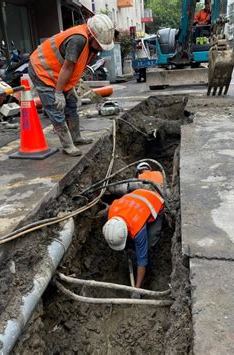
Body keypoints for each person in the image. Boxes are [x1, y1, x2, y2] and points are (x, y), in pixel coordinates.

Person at [28, 14, 115, 156]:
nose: (100, 48)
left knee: (71, 103)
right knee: (56, 106)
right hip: (42, 70)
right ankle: (68, 145)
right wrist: (58, 92)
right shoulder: (78, 40)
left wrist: (71, 87)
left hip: (58, 72)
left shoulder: (89, 44)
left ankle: (76, 137)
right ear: (92, 36)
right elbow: (67, 67)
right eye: (100, 44)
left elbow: (75, 68)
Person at [102, 188, 165, 295]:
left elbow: (142, 259)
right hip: (137, 198)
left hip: (154, 202)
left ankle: (150, 270)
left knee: (149, 241)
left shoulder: (137, 228)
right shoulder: (110, 214)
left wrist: (137, 289)